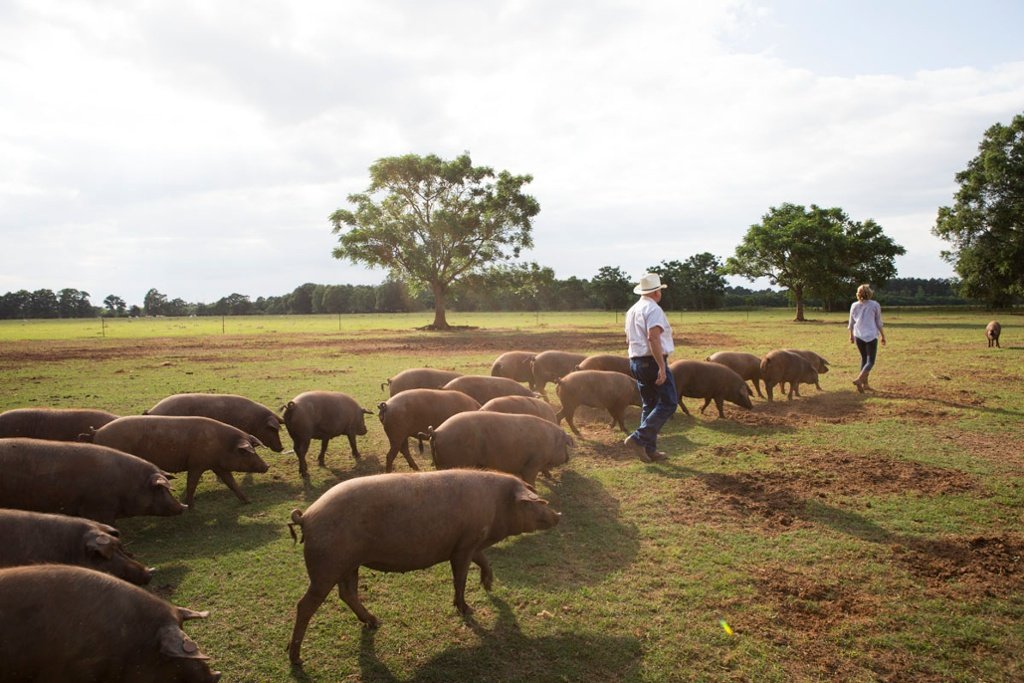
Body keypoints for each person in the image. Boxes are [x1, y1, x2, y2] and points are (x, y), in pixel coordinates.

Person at [623, 272, 677, 462]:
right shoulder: (653, 309)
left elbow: (628, 339)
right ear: (656, 292)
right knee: (669, 403)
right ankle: (638, 439)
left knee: (650, 404)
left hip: (637, 361)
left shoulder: (632, 310)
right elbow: (653, 337)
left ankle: (649, 449)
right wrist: (661, 367)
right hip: (652, 361)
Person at [848, 283, 886, 392]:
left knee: (864, 359)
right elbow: (878, 322)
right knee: (870, 361)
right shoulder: (874, 305)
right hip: (871, 335)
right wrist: (883, 336)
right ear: (869, 293)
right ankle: (860, 380)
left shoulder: (854, 305)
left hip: (858, 335)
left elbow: (851, 322)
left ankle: (865, 385)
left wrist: (851, 336)